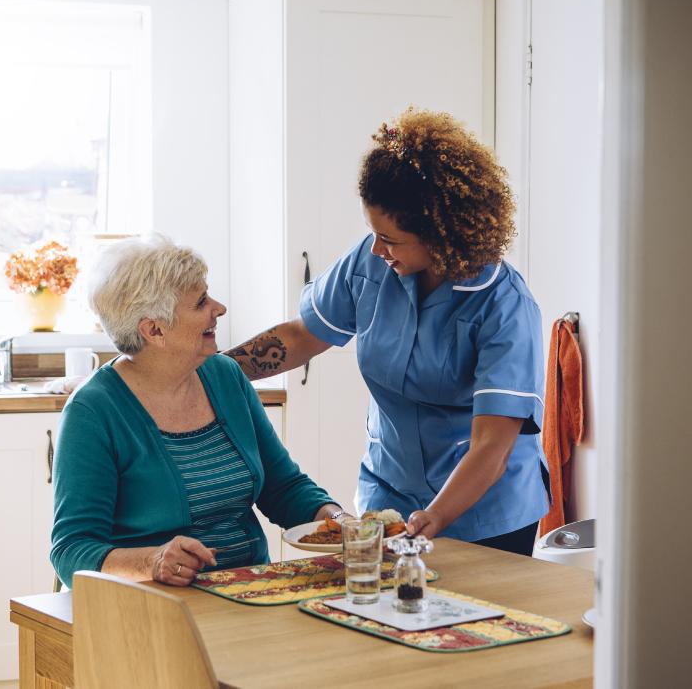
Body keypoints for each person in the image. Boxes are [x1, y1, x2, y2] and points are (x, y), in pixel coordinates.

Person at [226, 108, 548, 556]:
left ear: (441, 233)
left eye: (392, 239)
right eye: (373, 233)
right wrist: (215, 371)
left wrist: (437, 515)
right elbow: (302, 336)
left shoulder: (504, 305)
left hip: (484, 512)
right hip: (390, 494)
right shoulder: (371, 260)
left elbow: (492, 443)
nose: (377, 248)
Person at [50, 234, 342, 588]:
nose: (219, 308)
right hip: (148, 606)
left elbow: (282, 488)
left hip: (245, 591)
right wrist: (154, 561)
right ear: (154, 329)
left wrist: (337, 520)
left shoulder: (225, 376)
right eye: (201, 302)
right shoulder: (93, 411)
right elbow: (72, 550)